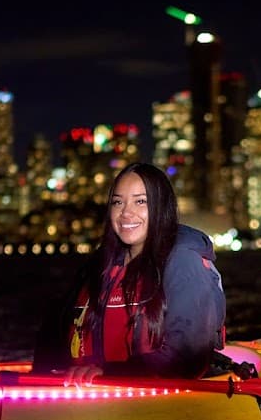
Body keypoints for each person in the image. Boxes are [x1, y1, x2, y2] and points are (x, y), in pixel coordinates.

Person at [33, 162, 227, 385]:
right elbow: (54, 334)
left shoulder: (183, 260)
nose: (126, 212)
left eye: (140, 201)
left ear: (161, 206)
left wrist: (109, 373)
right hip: (92, 396)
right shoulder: (99, 265)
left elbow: (187, 357)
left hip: (157, 400)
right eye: (118, 202)